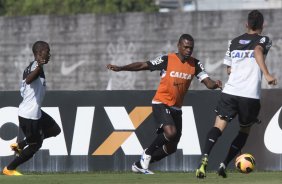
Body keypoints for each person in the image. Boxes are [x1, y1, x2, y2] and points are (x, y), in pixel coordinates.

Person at [107, 34, 222, 174]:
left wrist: (215, 84)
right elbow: (143, 65)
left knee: (171, 148)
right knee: (171, 133)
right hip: (161, 102)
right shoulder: (167, 60)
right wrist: (121, 68)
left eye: (191, 48)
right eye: (185, 47)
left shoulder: (195, 64)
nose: (188, 50)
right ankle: (146, 154)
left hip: (176, 108)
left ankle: (139, 164)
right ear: (178, 46)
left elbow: (207, 82)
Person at [196, 10, 278, 179]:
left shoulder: (233, 42)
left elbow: (228, 69)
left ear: (246, 24)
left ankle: (205, 157)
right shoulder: (264, 40)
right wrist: (267, 74)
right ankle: (224, 164)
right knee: (244, 130)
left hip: (230, 92)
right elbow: (257, 51)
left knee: (218, 127)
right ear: (263, 26)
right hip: (249, 96)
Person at [2, 41, 61, 176]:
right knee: (35, 146)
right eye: (47, 51)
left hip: (36, 112)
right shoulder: (36, 67)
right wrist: (39, 67)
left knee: (55, 129)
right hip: (29, 115)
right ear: (39, 53)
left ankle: (20, 145)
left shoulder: (31, 66)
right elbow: (28, 80)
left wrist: (38, 67)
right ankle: (9, 169)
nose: (49, 54)